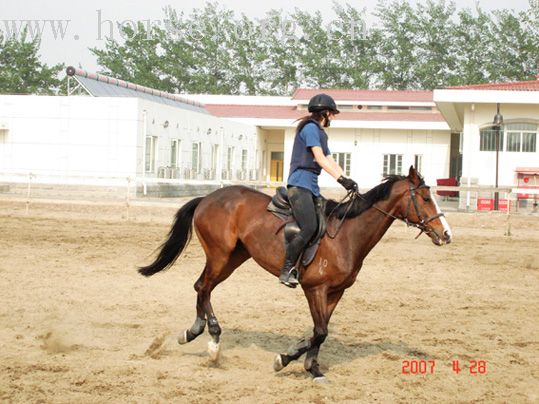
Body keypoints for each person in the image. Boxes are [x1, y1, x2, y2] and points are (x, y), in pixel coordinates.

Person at [279, 93, 358, 288]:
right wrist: (340, 180)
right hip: (299, 184)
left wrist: (348, 179)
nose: (334, 117)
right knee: (309, 227)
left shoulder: (320, 132)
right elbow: (320, 159)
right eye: (333, 113)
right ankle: (287, 269)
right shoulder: (311, 129)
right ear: (327, 112)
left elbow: (330, 160)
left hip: (311, 186)